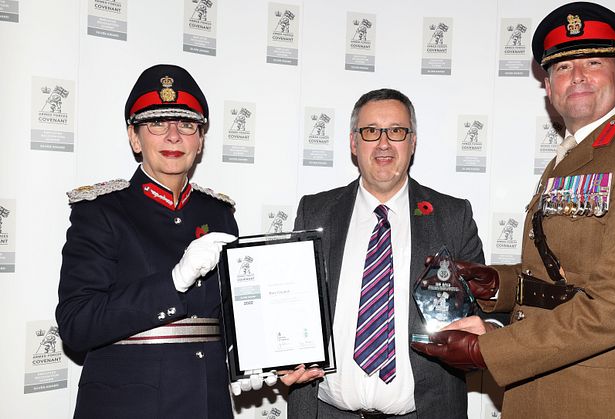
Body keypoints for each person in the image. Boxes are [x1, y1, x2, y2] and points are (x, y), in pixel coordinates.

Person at [412, 2, 615, 418]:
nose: (577, 75)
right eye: (562, 67)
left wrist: (485, 349)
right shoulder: (568, 158)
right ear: (548, 86)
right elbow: (564, 276)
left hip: (602, 396)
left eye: (593, 62)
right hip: (535, 389)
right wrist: (498, 284)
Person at [283, 88, 485, 418]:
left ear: (413, 142)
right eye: (371, 131)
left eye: (396, 131)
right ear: (353, 143)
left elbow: (483, 312)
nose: (384, 143)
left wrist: (485, 334)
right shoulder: (315, 212)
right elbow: (292, 306)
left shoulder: (453, 217)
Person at [56, 64, 240, 418]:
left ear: (200, 140)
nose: (173, 136)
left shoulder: (220, 214)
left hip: (208, 403)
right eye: (157, 123)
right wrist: (173, 283)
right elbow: (76, 325)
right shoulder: (102, 212)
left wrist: (258, 358)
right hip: (127, 406)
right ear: (134, 137)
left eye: (187, 124)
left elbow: (235, 313)